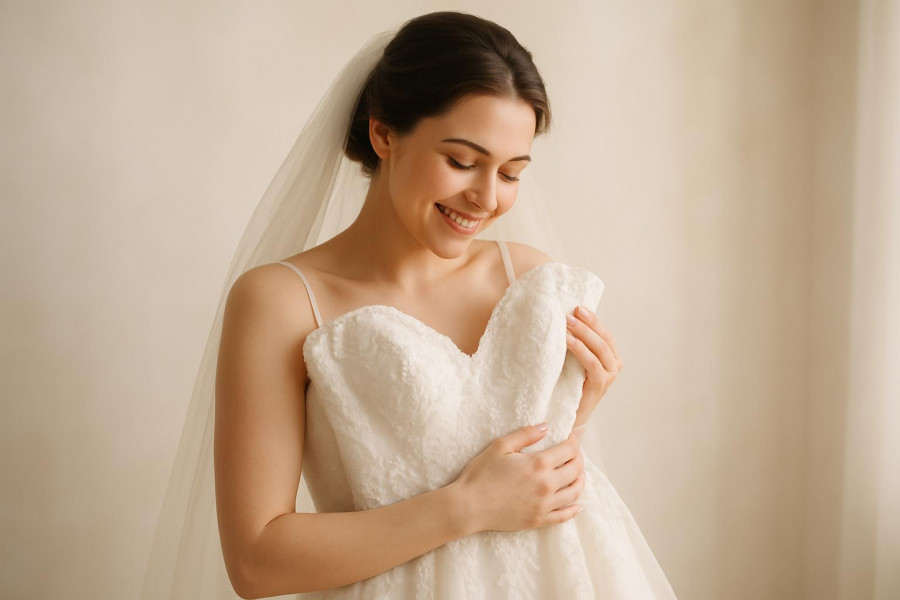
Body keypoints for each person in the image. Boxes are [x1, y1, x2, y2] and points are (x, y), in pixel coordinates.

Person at [141, 11, 677, 599]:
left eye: (510, 173)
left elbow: (547, 486)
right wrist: (466, 507)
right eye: (462, 162)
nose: (487, 198)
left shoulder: (530, 279)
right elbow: (256, 562)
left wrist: (575, 410)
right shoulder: (282, 301)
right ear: (384, 135)